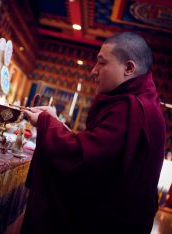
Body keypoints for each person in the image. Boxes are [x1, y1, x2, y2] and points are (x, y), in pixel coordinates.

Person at [21, 32, 165, 234]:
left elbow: (85, 157)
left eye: (101, 63)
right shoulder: (145, 102)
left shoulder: (132, 108)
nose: (93, 71)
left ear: (129, 68)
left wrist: (46, 122)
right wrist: (54, 122)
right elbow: (98, 147)